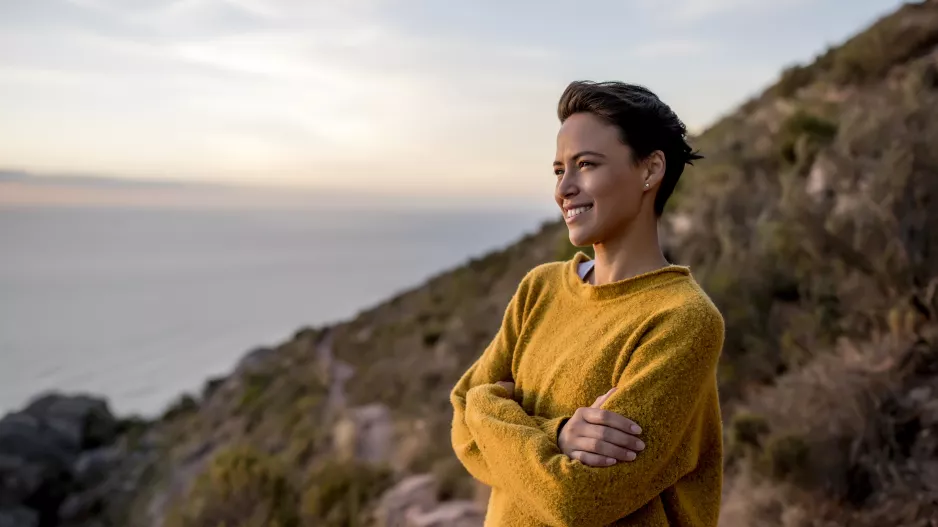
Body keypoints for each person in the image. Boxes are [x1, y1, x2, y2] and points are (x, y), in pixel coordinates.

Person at [449, 80, 725, 526]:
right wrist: (556, 434)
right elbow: (462, 427)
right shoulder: (539, 289)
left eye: (586, 165)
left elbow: (577, 498)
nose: (564, 190)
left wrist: (487, 409)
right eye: (559, 171)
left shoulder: (681, 320)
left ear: (650, 170)